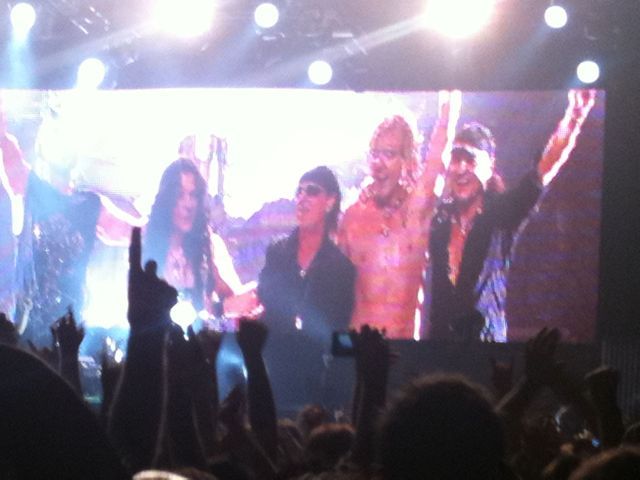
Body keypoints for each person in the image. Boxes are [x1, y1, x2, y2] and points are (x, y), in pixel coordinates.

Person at [427, 89, 596, 342]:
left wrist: (575, 117)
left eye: (470, 159)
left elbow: (543, 170)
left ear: (489, 167)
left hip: (486, 347)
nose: (461, 168)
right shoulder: (438, 221)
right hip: (438, 349)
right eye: (456, 158)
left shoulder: (501, 214)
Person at [0, 96, 144, 345]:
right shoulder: (33, 187)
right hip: (27, 320)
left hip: (68, 323)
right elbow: (6, 148)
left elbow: (134, 232)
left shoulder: (90, 205)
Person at [339, 92, 459, 339]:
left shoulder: (416, 212)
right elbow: (333, 293)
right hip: (358, 346)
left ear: (407, 161)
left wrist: (452, 86)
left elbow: (441, 143)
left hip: (404, 349)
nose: (379, 163)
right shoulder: (353, 217)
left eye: (389, 154)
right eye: (375, 154)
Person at [258, 166, 355, 411]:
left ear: (330, 201)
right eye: (299, 192)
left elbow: (341, 328)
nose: (302, 198)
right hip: (273, 369)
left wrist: (341, 382)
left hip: (315, 380)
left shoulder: (341, 267)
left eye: (311, 191)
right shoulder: (277, 253)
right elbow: (264, 304)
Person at [144, 158, 254, 321]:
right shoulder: (145, 241)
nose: (188, 204)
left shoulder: (208, 246)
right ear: (166, 199)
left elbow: (233, 300)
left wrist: (251, 297)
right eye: (180, 195)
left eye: (193, 195)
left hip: (196, 336)